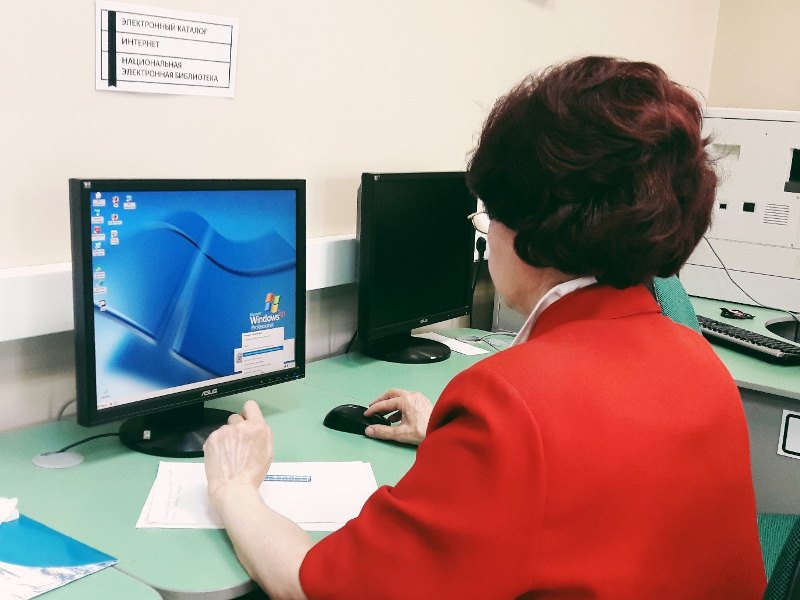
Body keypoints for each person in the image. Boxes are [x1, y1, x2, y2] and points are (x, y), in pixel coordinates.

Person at [203, 56, 766, 599]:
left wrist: (234, 487)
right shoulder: (696, 358)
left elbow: (314, 586)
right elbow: (599, 483)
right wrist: (456, 444)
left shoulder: (510, 403)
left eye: (488, 214)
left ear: (531, 229)